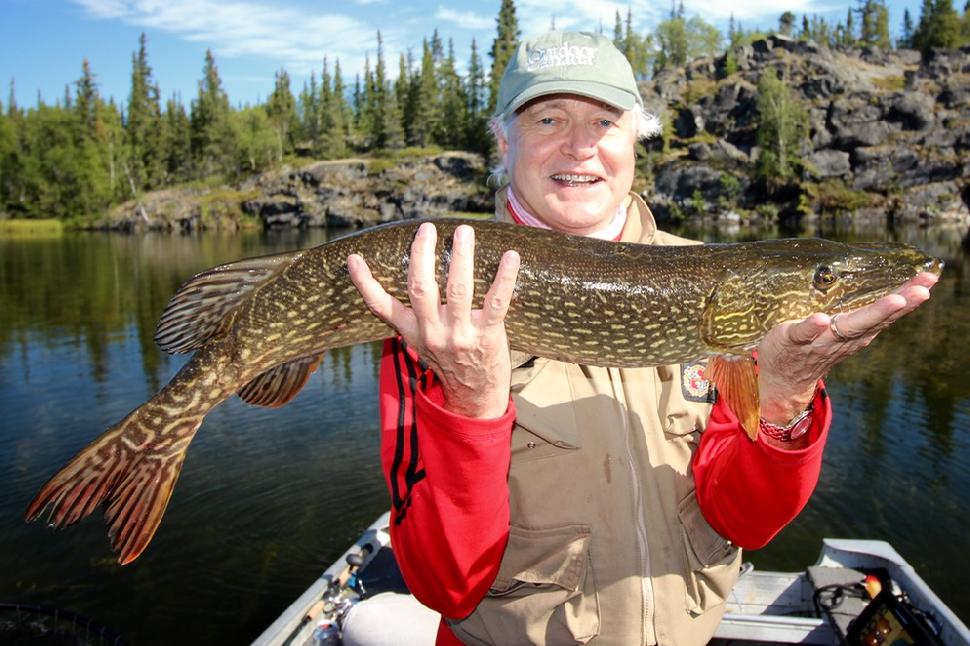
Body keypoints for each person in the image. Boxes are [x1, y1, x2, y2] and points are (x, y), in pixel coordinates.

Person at [345, 31, 937, 645]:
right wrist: (471, 400)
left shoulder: (722, 293)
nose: (580, 147)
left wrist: (786, 395)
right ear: (504, 139)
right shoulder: (440, 299)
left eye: (605, 121)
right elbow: (446, 588)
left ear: (635, 138)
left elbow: (746, 521)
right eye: (548, 118)